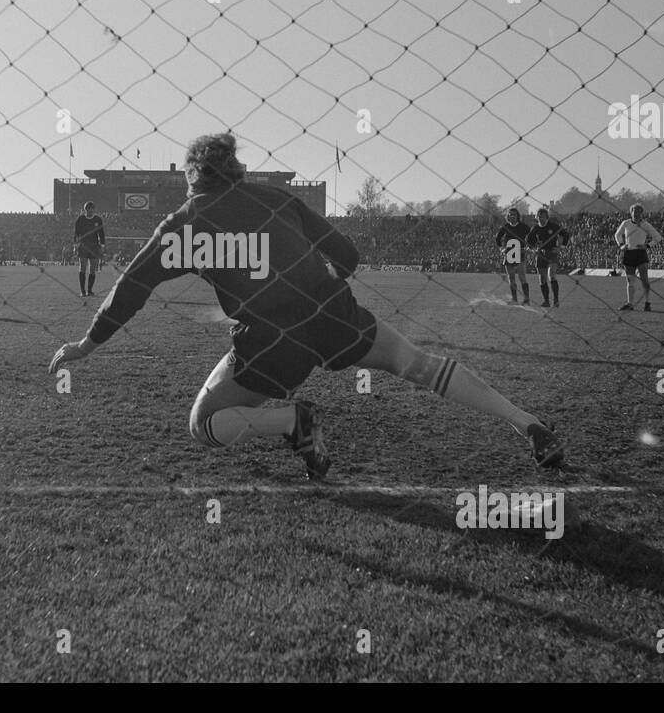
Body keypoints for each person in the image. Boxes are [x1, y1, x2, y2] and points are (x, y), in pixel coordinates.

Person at [48, 132, 564, 480]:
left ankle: (294, 421)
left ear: (192, 176)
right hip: (332, 312)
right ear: (236, 168)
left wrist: (86, 345)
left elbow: (131, 289)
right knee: (421, 367)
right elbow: (348, 255)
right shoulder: (276, 198)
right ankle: (525, 421)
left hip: (271, 343)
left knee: (204, 424)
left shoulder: (182, 225)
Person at [613, 204, 662, 312]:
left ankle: (647, 303)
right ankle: (630, 304)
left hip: (641, 254)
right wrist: (621, 245)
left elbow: (658, 237)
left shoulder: (645, 225)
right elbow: (617, 235)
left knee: (644, 280)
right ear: (631, 212)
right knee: (630, 280)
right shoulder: (625, 223)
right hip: (629, 253)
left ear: (641, 213)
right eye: (634, 211)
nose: (636, 213)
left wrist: (647, 245)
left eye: (638, 212)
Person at [526, 208, 571, 308]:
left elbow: (565, 235)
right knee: (542, 279)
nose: (540, 219)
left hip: (552, 254)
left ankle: (556, 300)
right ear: (536, 217)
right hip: (540, 254)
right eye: (539, 217)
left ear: (547, 217)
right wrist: (533, 249)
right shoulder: (535, 229)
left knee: (552, 275)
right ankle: (546, 301)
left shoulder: (553, 227)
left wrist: (560, 247)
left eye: (543, 217)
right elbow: (528, 241)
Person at [494, 207, 531, 304]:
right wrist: (501, 248)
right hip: (509, 253)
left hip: (520, 253)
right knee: (511, 277)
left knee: (522, 276)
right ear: (508, 216)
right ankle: (514, 299)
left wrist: (529, 247)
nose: (512, 216)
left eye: (514, 214)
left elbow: (532, 236)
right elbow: (498, 238)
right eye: (510, 214)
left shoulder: (524, 227)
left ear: (518, 216)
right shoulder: (506, 227)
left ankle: (526, 299)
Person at [74, 201, 106, 297]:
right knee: (82, 267)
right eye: (89, 209)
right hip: (83, 245)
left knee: (92, 269)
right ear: (85, 210)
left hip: (94, 246)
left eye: (92, 209)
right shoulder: (80, 219)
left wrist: (102, 245)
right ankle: (83, 291)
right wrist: (75, 245)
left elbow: (101, 233)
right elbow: (76, 233)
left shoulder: (98, 219)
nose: (91, 211)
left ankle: (90, 290)